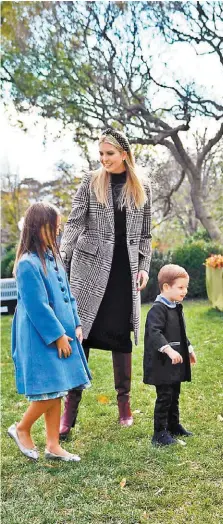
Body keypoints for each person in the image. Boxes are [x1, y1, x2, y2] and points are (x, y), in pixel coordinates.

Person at [59, 128, 152, 439]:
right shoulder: (90, 182)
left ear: (124, 154)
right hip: (88, 269)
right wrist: (61, 255)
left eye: (109, 154)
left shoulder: (141, 186)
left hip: (124, 274)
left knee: (119, 338)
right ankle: (69, 410)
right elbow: (74, 222)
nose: (104, 160)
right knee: (80, 336)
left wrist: (144, 268)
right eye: (100, 154)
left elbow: (146, 236)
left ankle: (124, 406)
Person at [8, 202, 91, 462]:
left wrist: (76, 323)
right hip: (40, 337)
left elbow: (68, 295)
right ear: (38, 227)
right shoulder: (27, 264)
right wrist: (56, 337)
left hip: (64, 332)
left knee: (59, 388)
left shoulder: (53, 257)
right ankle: (21, 428)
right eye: (53, 227)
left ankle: (53, 446)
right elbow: (37, 306)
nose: (58, 232)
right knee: (48, 390)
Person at [144, 264, 197, 446]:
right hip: (162, 364)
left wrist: (188, 349)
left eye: (186, 287)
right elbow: (155, 333)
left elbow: (181, 332)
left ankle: (173, 425)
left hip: (175, 364)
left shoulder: (175, 307)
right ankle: (159, 433)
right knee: (165, 397)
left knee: (175, 394)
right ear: (166, 287)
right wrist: (168, 349)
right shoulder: (158, 309)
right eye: (181, 287)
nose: (185, 291)